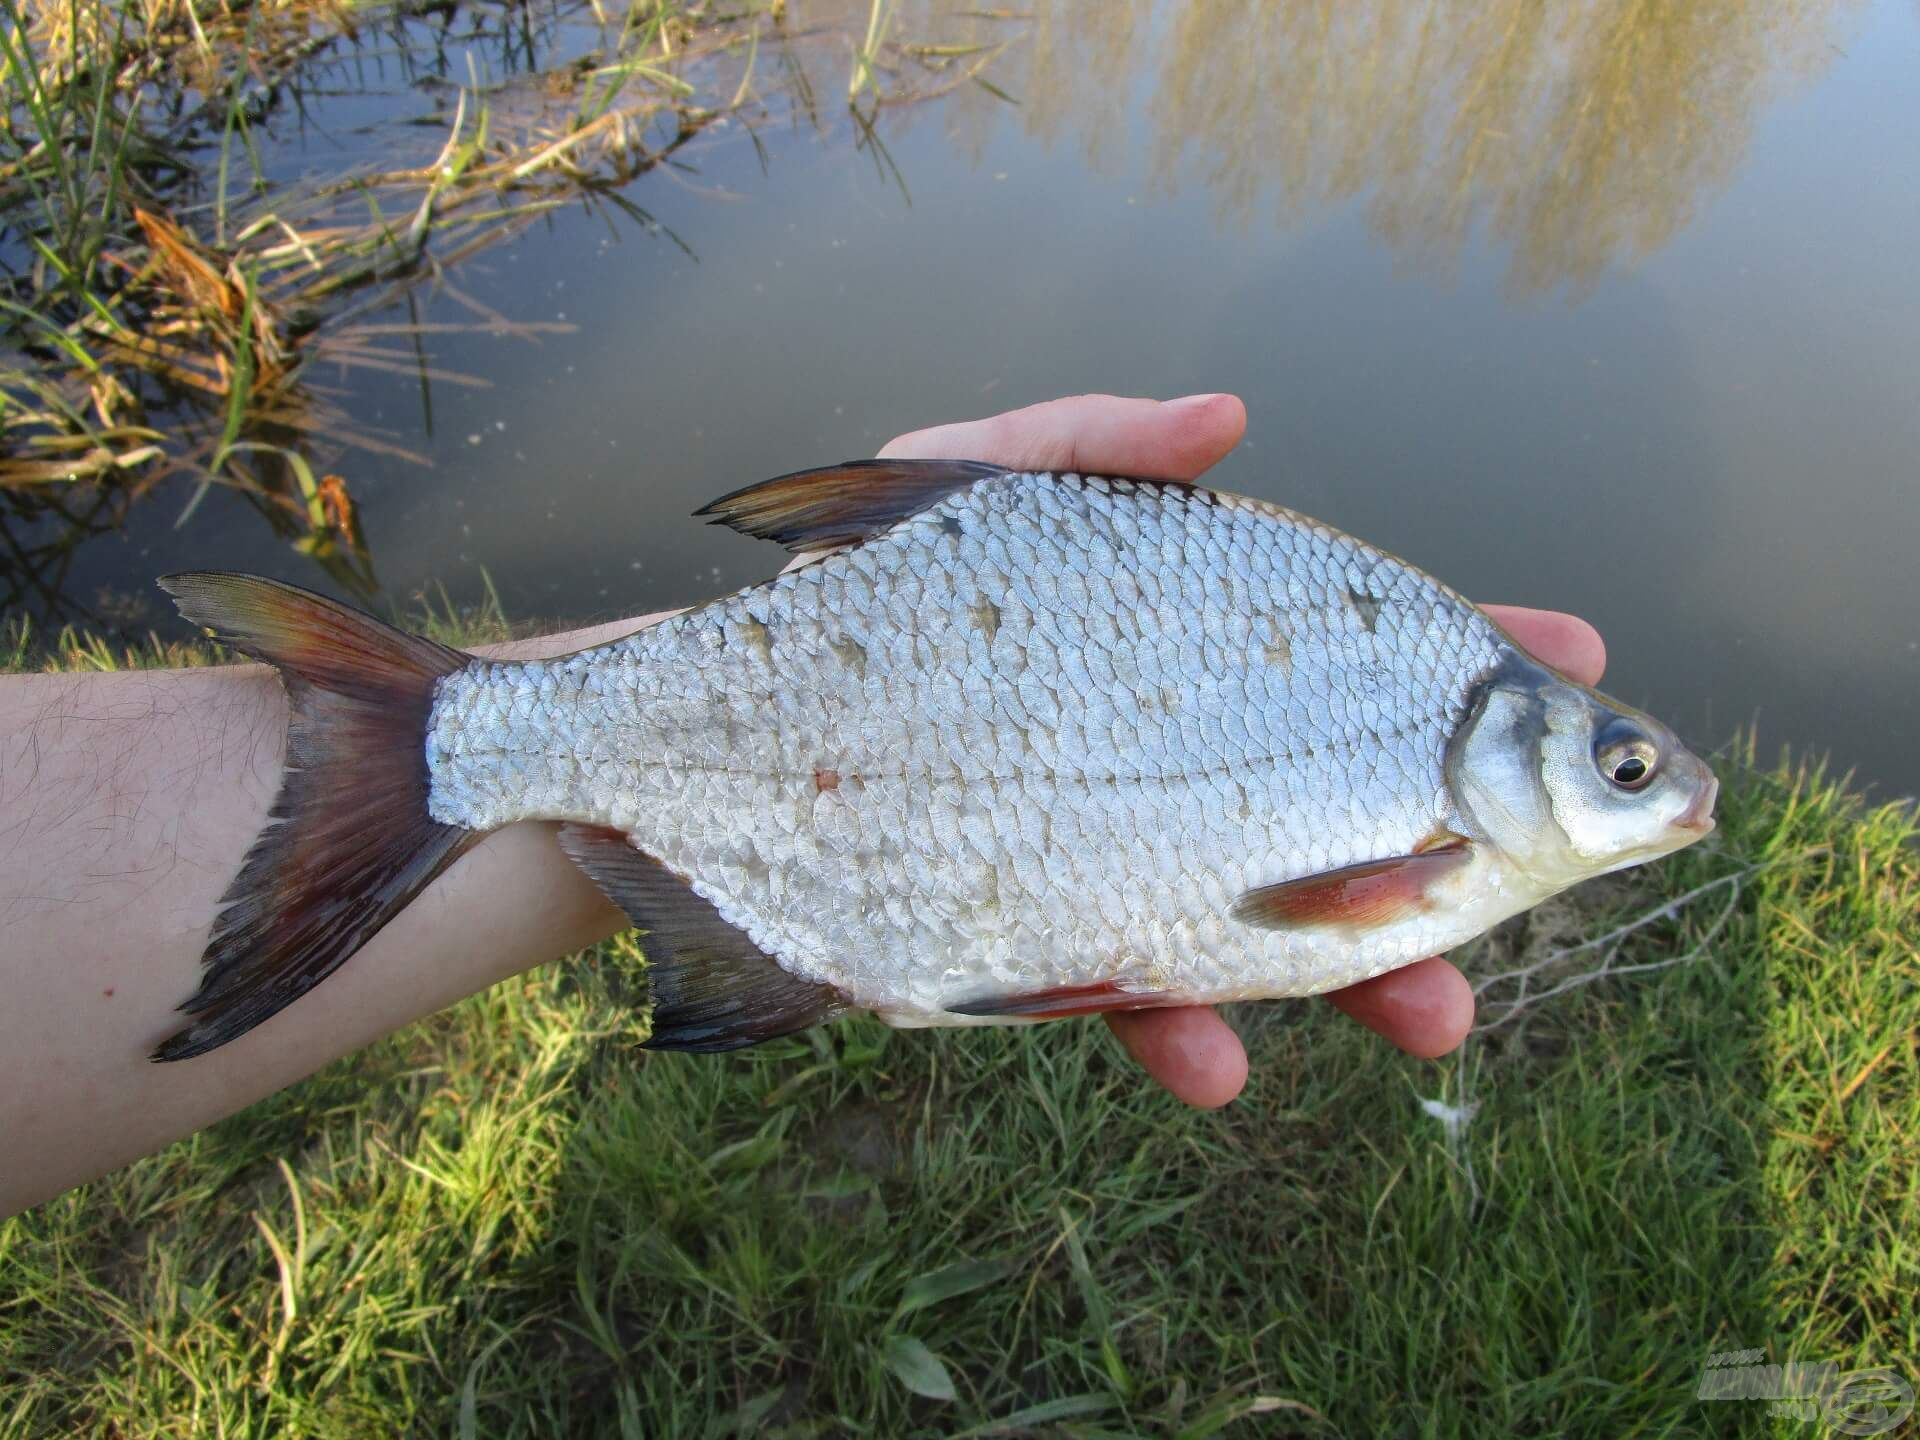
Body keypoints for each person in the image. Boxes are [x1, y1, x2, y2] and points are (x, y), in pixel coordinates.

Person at [0, 393, 1606, 1220]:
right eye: (1621, 769)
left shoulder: (1419, 662)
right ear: (1508, 750)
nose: (1653, 796)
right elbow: (1289, 917)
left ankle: (472, 746)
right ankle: (459, 743)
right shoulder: (1429, 745)